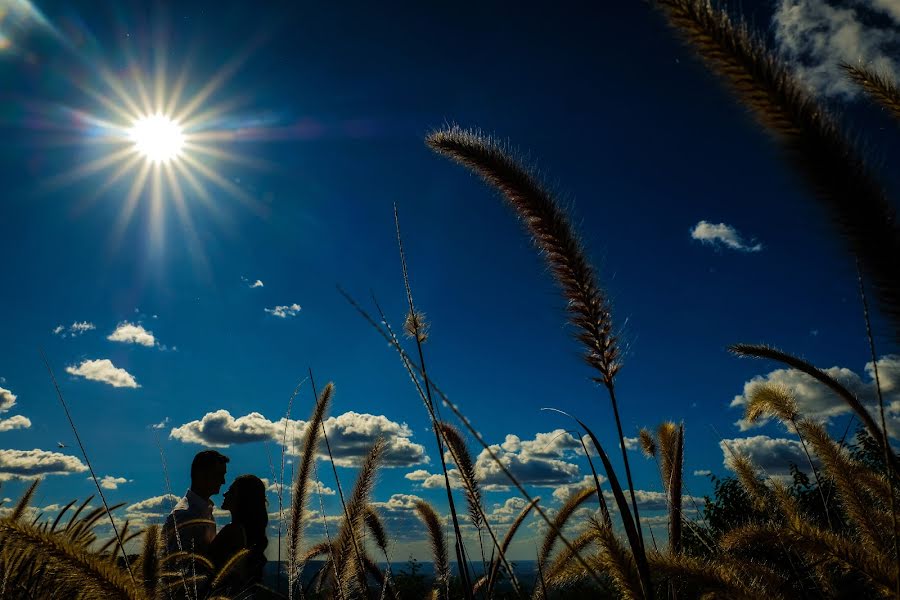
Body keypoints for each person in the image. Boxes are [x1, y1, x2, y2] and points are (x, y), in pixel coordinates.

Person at [206, 474, 269, 592]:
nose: (224, 494)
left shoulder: (232, 531)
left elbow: (207, 566)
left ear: (242, 498)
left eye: (231, 491)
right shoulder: (250, 532)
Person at [163, 449, 229, 555]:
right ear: (201, 475)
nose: (223, 481)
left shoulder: (205, 512)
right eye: (219, 474)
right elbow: (178, 564)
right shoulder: (184, 516)